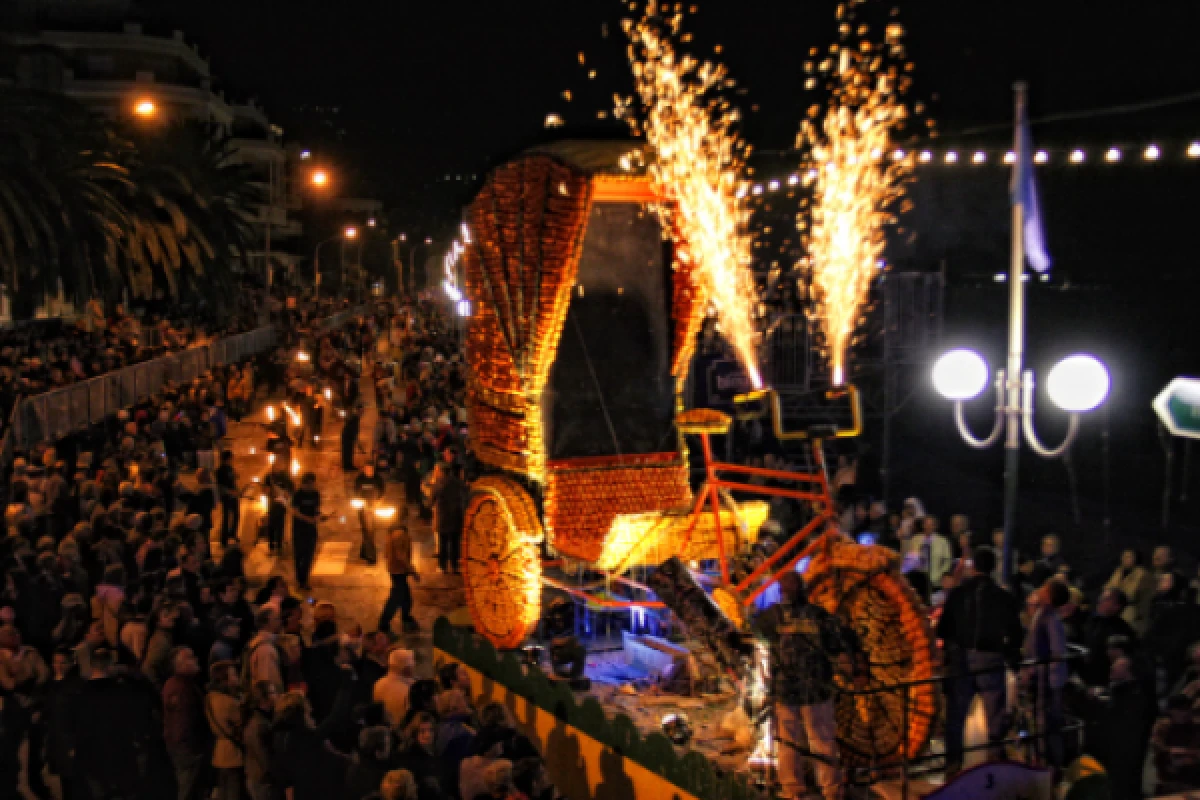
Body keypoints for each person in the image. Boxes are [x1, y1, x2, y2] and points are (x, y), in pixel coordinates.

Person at [752, 571, 862, 800]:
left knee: (788, 743)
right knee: (821, 741)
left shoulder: (771, 617)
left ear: (782, 592)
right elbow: (840, 645)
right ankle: (831, 790)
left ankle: (792, 789)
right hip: (816, 691)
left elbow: (754, 633)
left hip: (786, 691)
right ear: (804, 591)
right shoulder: (819, 616)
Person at [936, 548, 1024, 774]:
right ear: (993, 568)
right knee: (995, 714)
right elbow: (1016, 633)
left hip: (961, 658)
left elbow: (944, 629)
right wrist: (1009, 655)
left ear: (973, 566)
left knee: (956, 714)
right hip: (991, 657)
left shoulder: (958, 593)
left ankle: (953, 765)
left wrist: (949, 652)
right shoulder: (1004, 597)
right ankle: (994, 763)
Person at [1022, 580, 1070, 770]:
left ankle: (1051, 765)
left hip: (1047, 683)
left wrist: (1050, 678)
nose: (1039, 589)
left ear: (1049, 595)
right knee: (1040, 722)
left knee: (1048, 724)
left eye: (1044, 588)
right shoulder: (1042, 615)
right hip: (1040, 678)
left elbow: (1057, 651)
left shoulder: (1051, 620)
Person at [163, 646, 211, 800]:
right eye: (191, 657)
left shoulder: (177, 684)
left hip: (183, 746)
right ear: (181, 665)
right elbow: (181, 721)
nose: (196, 659)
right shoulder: (182, 689)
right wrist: (190, 747)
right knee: (187, 787)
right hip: (187, 748)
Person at [1080, 588, 1137, 687]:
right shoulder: (1091, 621)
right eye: (1102, 597)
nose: (1100, 600)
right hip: (1081, 678)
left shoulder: (1122, 631)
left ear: (1117, 606)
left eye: (1106, 599)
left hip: (1101, 685)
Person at [205, 660, 244, 800]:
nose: (237, 678)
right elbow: (241, 724)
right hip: (232, 753)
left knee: (222, 789)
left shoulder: (210, 698)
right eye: (233, 675)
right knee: (234, 791)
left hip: (219, 752)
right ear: (224, 679)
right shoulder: (229, 703)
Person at [1152, 693, 1200, 794]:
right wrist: (1176, 754)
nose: (1184, 713)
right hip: (1169, 769)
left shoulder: (1195, 726)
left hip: (1192, 768)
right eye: (1179, 710)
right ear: (1171, 711)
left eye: (1186, 710)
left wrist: (1188, 755)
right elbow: (1158, 746)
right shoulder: (1163, 726)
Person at [380, 524, 419, 634]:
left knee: (406, 597)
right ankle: (383, 623)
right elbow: (401, 555)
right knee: (395, 599)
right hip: (399, 571)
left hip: (396, 569)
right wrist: (412, 570)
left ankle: (406, 617)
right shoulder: (400, 535)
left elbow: (387, 554)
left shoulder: (392, 534)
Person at [243, 681, 278, 800]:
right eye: (273, 692)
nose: (276, 695)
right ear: (263, 698)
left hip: (259, 778)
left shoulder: (262, 719)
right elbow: (264, 756)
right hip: (262, 781)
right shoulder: (259, 724)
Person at [291, 473, 322, 591]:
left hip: (311, 530)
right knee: (299, 556)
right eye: (310, 484)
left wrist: (318, 516)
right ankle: (300, 580)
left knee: (309, 556)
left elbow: (316, 510)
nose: (312, 486)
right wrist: (307, 519)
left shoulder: (315, 494)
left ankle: (305, 580)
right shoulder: (298, 495)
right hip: (299, 530)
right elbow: (295, 511)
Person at [435, 461, 467, 574]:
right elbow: (465, 494)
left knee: (443, 544)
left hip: (444, 518)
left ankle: (442, 567)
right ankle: (455, 566)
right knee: (455, 543)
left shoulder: (439, 484)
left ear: (442, 472)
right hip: (456, 517)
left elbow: (430, 501)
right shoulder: (458, 483)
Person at [354, 463, 386, 565]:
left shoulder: (378, 479)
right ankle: (371, 557)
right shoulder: (359, 479)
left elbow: (382, 493)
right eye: (367, 470)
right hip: (363, 509)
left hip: (374, 508)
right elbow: (356, 494)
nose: (369, 472)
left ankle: (364, 553)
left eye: (371, 470)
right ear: (364, 469)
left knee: (370, 531)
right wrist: (362, 503)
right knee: (368, 531)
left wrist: (379, 502)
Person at [374, 648, 415, 726]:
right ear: (406, 668)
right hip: (401, 731)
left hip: (384, 730)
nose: (414, 665)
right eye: (413, 662)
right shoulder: (409, 689)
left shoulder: (378, 684)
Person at [263, 463, 295, 555]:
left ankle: (279, 547)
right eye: (275, 467)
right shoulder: (269, 477)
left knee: (280, 525)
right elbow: (265, 490)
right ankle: (271, 547)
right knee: (271, 525)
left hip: (281, 505)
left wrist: (287, 494)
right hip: (272, 504)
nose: (277, 468)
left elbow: (291, 488)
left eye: (278, 466)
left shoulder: (284, 477)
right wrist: (267, 491)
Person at [216, 449, 240, 548]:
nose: (232, 460)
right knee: (226, 518)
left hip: (234, 496)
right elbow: (220, 486)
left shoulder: (230, 468)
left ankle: (233, 534)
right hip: (227, 497)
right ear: (227, 459)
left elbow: (233, 480)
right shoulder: (220, 471)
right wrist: (230, 492)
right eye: (231, 458)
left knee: (236, 516)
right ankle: (224, 539)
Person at [342, 404, 364, 473]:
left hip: (348, 436)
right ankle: (347, 466)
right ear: (358, 410)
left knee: (348, 451)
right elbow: (353, 429)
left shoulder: (355, 417)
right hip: (347, 437)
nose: (362, 412)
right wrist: (357, 441)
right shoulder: (355, 418)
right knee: (348, 451)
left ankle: (348, 465)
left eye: (363, 411)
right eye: (361, 411)